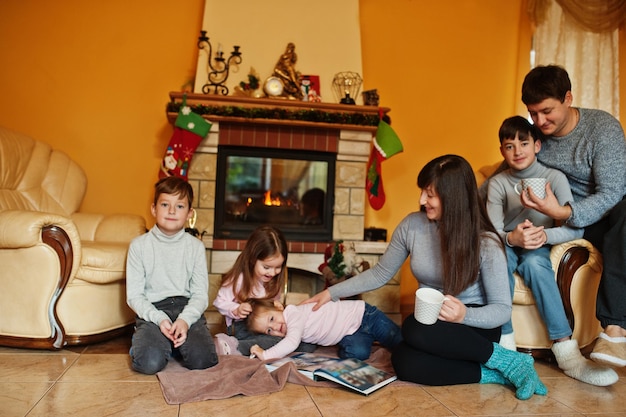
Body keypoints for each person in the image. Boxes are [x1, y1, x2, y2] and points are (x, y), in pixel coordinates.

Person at [303, 154, 547, 400]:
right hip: (432, 324)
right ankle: (496, 372)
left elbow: (502, 310)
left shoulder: (485, 242)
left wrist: (465, 315)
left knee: (414, 327)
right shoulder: (412, 226)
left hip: (473, 327)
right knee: (404, 361)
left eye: (430, 194)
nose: (422, 200)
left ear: (453, 197)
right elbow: (380, 273)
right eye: (423, 192)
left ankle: (504, 359)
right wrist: (331, 293)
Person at [486, 116, 617, 386]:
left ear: (538, 146)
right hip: (505, 245)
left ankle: (567, 353)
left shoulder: (554, 178)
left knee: (536, 266)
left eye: (524, 143)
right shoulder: (497, 184)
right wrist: (512, 238)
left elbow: (575, 229)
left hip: (538, 245)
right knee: (497, 264)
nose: (517, 150)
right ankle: (506, 345)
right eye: (509, 146)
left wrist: (543, 234)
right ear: (501, 151)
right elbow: (491, 231)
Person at [519, 65, 626, 368]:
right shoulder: (535, 136)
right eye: (533, 113)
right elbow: (511, 168)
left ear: (568, 98)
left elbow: (612, 194)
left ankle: (615, 330)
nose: (540, 121)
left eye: (546, 111)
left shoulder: (601, 128)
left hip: (613, 210)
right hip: (574, 220)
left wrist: (564, 212)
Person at [126, 177, 218, 375]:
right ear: (153, 209)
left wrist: (185, 320)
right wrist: (159, 319)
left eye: (180, 206)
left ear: (189, 213)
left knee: (204, 359)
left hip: (187, 308)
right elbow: (134, 295)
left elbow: (200, 294)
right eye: (165, 204)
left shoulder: (195, 247)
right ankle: (152, 342)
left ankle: (174, 343)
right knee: (148, 362)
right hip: (154, 311)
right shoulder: (138, 246)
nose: (171, 211)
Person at [213, 225, 316, 356]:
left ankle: (252, 345)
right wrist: (236, 309)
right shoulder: (239, 279)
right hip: (242, 327)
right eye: (267, 267)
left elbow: (273, 307)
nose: (272, 272)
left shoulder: (273, 281)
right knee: (277, 342)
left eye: (278, 267)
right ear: (252, 259)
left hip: (269, 329)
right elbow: (219, 302)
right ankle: (235, 345)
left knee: (306, 343)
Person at [247, 298, 402, 361]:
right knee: (356, 355)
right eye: (269, 331)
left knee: (398, 340)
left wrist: (265, 354)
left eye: (272, 319)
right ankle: (367, 340)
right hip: (350, 333)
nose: (274, 328)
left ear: (279, 306)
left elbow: (292, 343)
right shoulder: (291, 326)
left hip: (365, 315)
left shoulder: (293, 314)